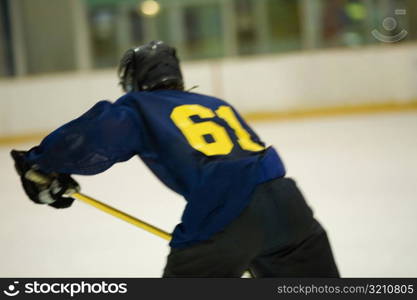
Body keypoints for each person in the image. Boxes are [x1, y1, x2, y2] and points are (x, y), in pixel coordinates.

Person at [11, 40, 339, 278]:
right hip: (289, 205)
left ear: (134, 80)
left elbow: (91, 138)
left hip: (226, 213)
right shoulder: (213, 102)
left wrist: (40, 162)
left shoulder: (140, 105)